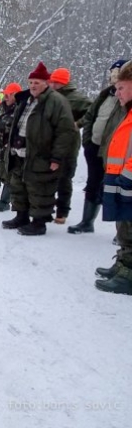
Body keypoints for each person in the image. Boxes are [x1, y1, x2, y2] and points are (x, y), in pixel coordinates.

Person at [2, 62, 75, 236]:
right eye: (31, 82)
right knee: (19, 185)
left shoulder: (56, 102)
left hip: (41, 154)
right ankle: (22, 216)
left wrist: (57, 158)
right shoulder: (26, 100)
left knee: (40, 188)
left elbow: (64, 132)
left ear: (46, 83)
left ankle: (39, 223)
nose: (33, 86)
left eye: (37, 82)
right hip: (20, 151)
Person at [69, 59, 129, 234]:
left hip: (116, 150)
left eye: (118, 73)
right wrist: (85, 135)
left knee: (118, 188)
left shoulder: (126, 97)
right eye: (112, 73)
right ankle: (87, 222)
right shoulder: (106, 94)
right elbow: (90, 115)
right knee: (93, 183)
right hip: (95, 147)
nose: (114, 76)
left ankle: (122, 233)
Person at [95, 61, 132, 295]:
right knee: (124, 226)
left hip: (128, 181)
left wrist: (126, 177)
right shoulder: (128, 111)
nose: (116, 92)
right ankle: (123, 264)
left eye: (121, 87)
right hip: (121, 180)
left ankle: (128, 274)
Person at [47, 68, 91, 224]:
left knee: (64, 179)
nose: (52, 84)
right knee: (47, 177)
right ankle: (47, 208)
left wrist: (78, 124)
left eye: (54, 81)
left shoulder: (77, 98)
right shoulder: (50, 96)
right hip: (51, 143)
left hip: (69, 144)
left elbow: (92, 111)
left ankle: (62, 212)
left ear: (62, 82)